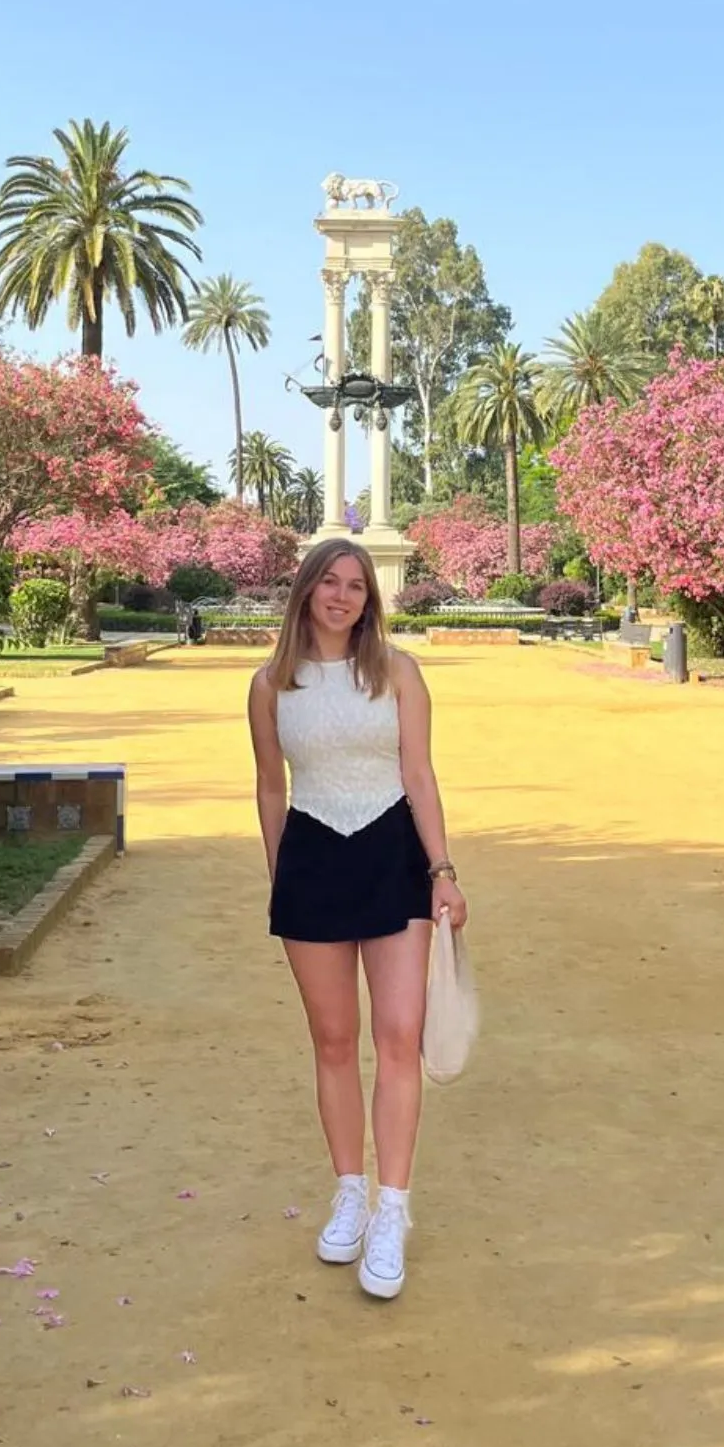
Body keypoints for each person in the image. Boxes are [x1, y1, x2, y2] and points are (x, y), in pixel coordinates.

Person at [248, 538, 467, 1300]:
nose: (343, 597)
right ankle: (348, 1190)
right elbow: (271, 788)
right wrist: (284, 876)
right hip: (312, 860)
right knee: (334, 1041)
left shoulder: (398, 672)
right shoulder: (271, 683)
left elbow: (418, 772)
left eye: (357, 587)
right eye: (329, 583)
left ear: (370, 600)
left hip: (392, 855)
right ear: (306, 591)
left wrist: (442, 871)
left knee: (398, 1034)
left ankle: (392, 1210)